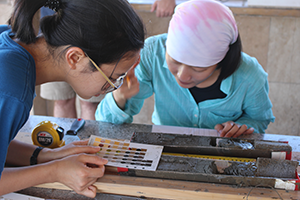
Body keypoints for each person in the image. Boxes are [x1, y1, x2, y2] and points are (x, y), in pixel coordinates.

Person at [0, 0, 144, 197]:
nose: (112, 88)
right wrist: (55, 171)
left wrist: (46, 155)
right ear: (75, 58)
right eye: (111, 79)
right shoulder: (11, 87)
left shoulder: (9, 41)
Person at [96, 0, 275, 138]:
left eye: (197, 69)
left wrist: (241, 127)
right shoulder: (152, 53)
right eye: (174, 61)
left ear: (222, 60)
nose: (182, 75)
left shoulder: (250, 75)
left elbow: (259, 119)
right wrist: (119, 97)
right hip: (164, 147)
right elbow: (104, 125)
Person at [39, 7, 103, 120]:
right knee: (62, 100)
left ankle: (89, 138)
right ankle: (64, 138)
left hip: (92, 35)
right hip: (53, 34)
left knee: (90, 103)